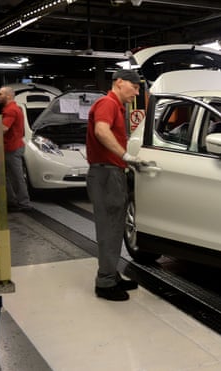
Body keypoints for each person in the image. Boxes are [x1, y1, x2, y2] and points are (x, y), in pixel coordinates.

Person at [86, 69, 145, 301]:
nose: (137, 92)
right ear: (120, 82)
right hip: (106, 175)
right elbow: (101, 131)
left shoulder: (116, 107)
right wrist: (125, 155)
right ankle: (105, 283)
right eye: (135, 87)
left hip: (111, 173)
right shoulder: (107, 103)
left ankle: (111, 273)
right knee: (109, 229)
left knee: (114, 227)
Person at [0, 86, 32, 212]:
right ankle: (11, 201)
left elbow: (4, 128)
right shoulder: (11, 108)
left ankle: (24, 203)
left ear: (9, 96)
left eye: (0, 94)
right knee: (5, 176)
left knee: (16, 177)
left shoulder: (11, 110)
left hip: (12, 148)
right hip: (9, 147)